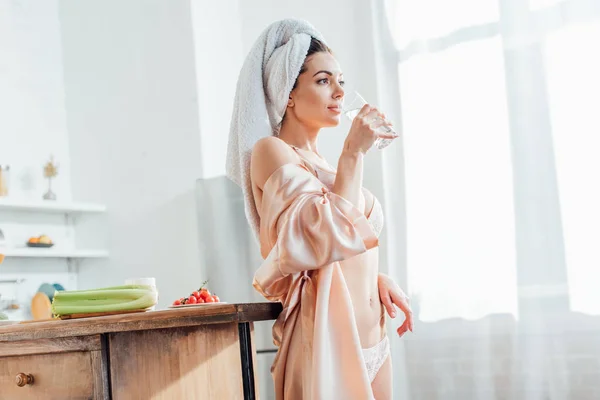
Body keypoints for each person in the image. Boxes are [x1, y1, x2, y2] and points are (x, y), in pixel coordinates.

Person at [226, 19, 413, 400]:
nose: (340, 92)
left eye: (341, 81)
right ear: (288, 94)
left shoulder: (325, 164)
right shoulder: (271, 152)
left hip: (374, 335)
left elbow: (344, 241)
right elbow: (319, 237)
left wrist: (375, 276)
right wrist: (353, 151)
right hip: (325, 337)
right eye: (324, 80)